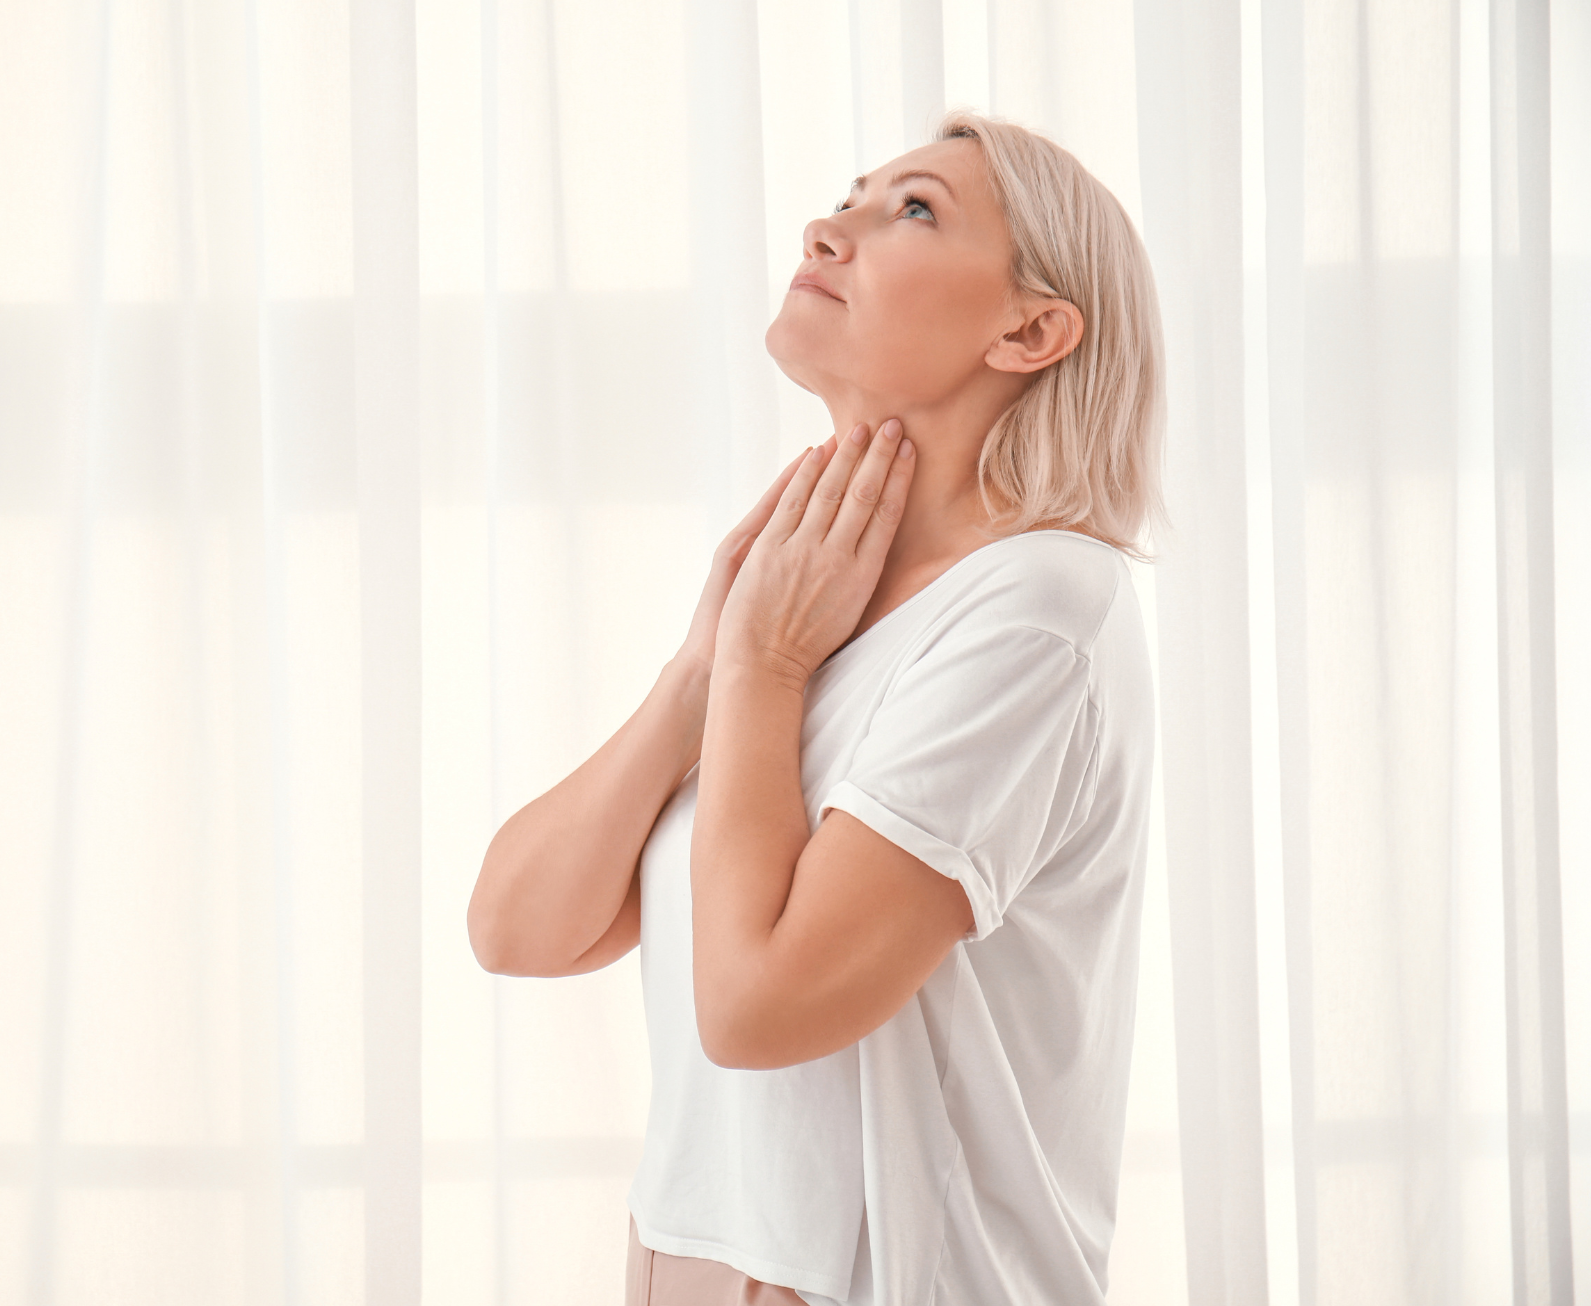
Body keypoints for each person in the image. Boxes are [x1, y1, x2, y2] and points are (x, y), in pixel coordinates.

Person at [466, 111, 1165, 1306]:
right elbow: (518, 929)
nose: (826, 228)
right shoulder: (810, 607)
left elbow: (755, 1005)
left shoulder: (1036, 612)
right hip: (688, 1260)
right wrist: (705, 668)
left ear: (1032, 328)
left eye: (913, 209)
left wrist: (762, 675)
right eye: (852, 193)